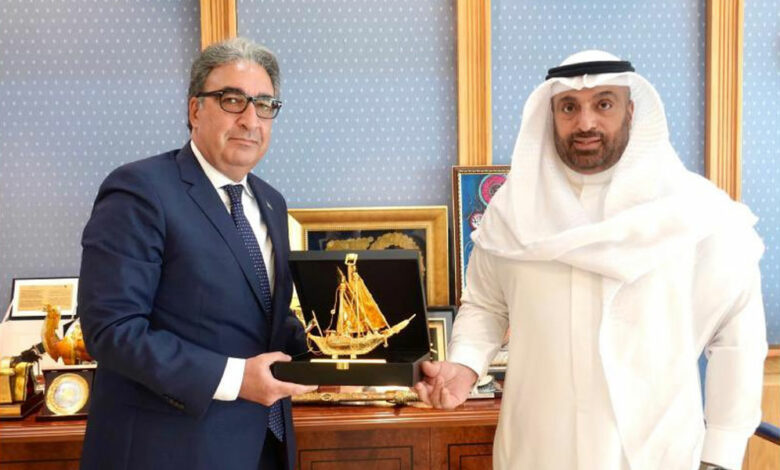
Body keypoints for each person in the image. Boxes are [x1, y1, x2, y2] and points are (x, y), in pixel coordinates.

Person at [415, 50, 767, 470]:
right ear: (551, 115)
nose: (585, 123)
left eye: (603, 104)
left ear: (631, 111)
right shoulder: (512, 211)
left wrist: (721, 454)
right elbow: (486, 304)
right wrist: (466, 363)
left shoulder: (695, 212)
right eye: (569, 107)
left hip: (656, 455)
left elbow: (737, 340)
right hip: (538, 451)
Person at [78, 37, 316, 470]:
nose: (250, 119)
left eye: (264, 105)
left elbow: (268, 320)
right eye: (232, 100)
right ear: (195, 110)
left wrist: (346, 360)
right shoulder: (140, 190)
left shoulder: (271, 202)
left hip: (266, 445)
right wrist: (236, 379)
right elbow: (112, 329)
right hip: (169, 451)